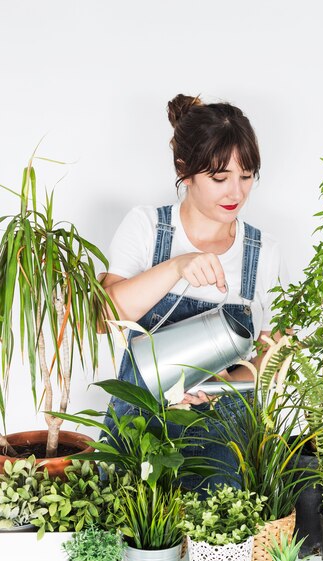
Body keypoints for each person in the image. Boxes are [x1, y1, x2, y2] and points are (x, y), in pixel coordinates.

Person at [101, 94, 285, 488]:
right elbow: (107, 316)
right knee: (121, 535)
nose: (236, 192)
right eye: (220, 178)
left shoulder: (262, 253)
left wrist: (219, 384)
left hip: (222, 434)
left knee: (215, 542)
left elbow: (274, 351)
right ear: (185, 172)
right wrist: (176, 266)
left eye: (247, 175)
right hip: (141, 422)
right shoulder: (148, 229)